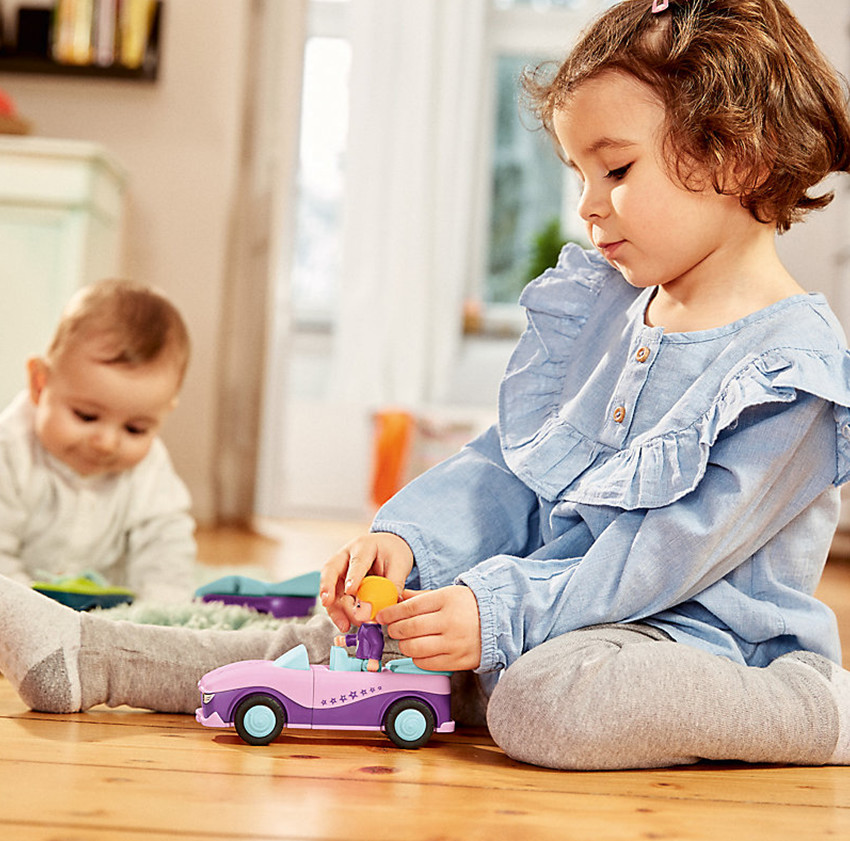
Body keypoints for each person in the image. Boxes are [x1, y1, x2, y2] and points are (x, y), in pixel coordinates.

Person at [0, 0, 848, 771]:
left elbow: (657, 560)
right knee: (358, 638)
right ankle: (93, 657)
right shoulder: (613, 310)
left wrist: (497, 609)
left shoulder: (789, 371)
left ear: (738, 156)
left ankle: (816, 712)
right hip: (551, 615)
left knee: (547, 702)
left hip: (699, 646)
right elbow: (507, 466)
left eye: (616, 171)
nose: (588, 206)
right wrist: (409, 542)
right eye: (579, 175)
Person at [0, 278, 196, 603]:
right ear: (40, 383)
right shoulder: (10, 451)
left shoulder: (149, 467)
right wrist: (27, 609)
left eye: (135, 429)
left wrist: (162, 604)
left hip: (105, 604)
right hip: (22, 599)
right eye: (86, 416)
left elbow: (166, 543)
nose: (106, 443)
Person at [332, 575, 399, 671]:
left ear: (376, 608)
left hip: (368, 663)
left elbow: (377, 644)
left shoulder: (372, 630)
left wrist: (374, 660)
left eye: (358, 605)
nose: (353, 609)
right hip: (362, 660)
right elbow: (359, 639)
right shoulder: (365, 627)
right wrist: (346, 640)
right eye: (355, 603)